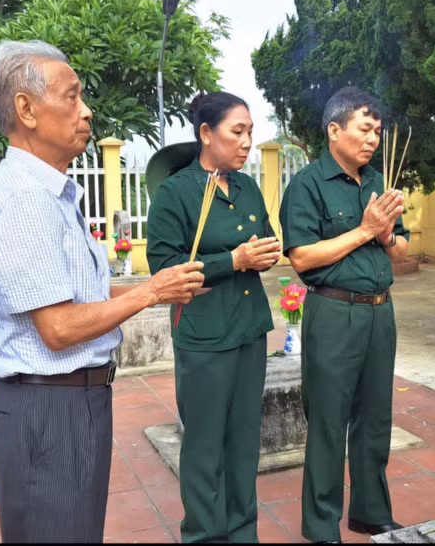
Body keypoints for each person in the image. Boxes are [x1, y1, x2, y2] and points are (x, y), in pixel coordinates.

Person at [0, 40, 205, 543]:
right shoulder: (28, 200)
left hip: (69, 404)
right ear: (26, 109)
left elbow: (76, 292)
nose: (86, 110)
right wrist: (150, 293)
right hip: (47, 412)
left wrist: (153, 286)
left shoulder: (51, 193)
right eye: (71, 97)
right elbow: (57, 328)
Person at [145, 92, 282, 543]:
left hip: (248, 329)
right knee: (205, 445)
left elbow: (262, 238)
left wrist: (265, 254)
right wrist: (234, 261)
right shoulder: (176, 192)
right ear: (206, 133)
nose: (245, 143)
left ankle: (244, 533)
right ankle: (204, 535)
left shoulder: (246, 187)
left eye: (250, 133)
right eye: (236, 132)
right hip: (204, 333)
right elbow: (163, 267)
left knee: (245, 441)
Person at [279, 86, 409, 543]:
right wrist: (365, 230)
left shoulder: (378, 182)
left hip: (380, 313)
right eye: (364, 128)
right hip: (334, 311)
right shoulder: (308, 185)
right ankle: (321, 526)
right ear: (335, 130)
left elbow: (403, 248)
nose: (373, 138)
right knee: (329, 424)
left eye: (377, 130)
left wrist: (388, 236)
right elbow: (302, 257)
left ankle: (372, 512)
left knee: (376, 418)